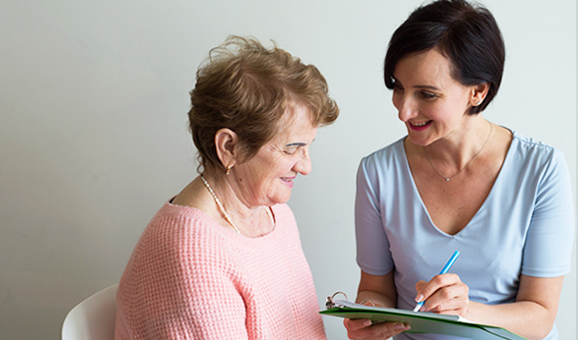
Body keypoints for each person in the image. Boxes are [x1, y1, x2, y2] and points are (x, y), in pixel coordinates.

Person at [344, 1, 575, 339]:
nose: (404, 111)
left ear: (477, 92)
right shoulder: (378, 172)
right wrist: (367, 316)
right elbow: (376, 290)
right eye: (398, 87)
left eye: (426, 94)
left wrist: (465, 312)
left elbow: (540, 314)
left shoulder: (541, 170)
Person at [114, 35, 339, 339]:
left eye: (308, 147)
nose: (305, 166)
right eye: (291, 149)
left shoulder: (276, 214)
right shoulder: (194, 254)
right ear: (230, 146)